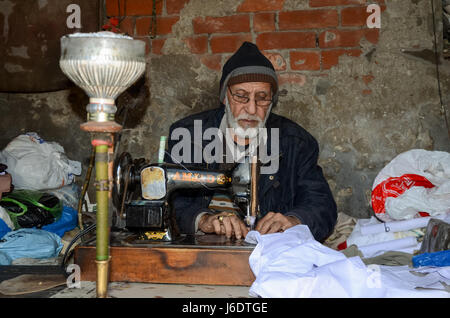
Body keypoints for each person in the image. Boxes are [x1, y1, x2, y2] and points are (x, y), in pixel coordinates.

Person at [165, 42, 337, 243]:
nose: (252, 109)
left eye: (262, 98)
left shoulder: (296, 142)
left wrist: (293, 220)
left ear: (272, 101)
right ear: (225, 97)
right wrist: (203, 219)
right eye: (241, 96)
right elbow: (171, 200)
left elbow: (321, 204)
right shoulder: (188, 135)